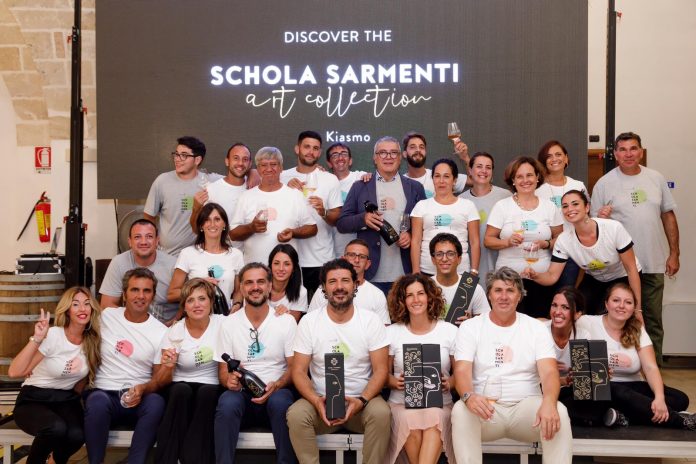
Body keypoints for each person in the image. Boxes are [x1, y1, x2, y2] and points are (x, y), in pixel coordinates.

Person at [451, 267, 572, 464]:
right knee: (460, 410)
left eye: (510, 290)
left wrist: (549, 403)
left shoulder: (536, 328)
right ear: (489, 295)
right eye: (498, 290)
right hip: (486, 409)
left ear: (519, 296)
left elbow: (550, 372)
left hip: (527, 410)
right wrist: (468, 396)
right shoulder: (470, 327)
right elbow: (461, 370)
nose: (504, 296)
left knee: (559, 411)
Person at [287, 259, 391, 464]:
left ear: (355, 285)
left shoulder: (370, 320)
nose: (339, 287)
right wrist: (316, 401)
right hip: (321, 402)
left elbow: (381, 370)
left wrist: (361, 401)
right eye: (332, 281)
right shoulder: (309, 322)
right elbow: (298, 371)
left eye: (345, 280)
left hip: (362, 401)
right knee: (296, 415)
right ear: (324, 288)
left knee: (382, 414)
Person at [591, 132, 680, 365]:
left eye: (633, 149)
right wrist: (600, 217)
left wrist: (674, 253)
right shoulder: (604, 183)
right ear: (615, 154)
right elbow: (593, 226)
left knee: (652, 321)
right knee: (616, 320)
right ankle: (620, 369)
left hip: (652, 264)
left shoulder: (656, 178)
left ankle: (653, 372)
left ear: (640, 151)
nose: (628, 154)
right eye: (622, 149)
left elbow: (668, 216)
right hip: (619, 269)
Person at [576, 283, 695, 430]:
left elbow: (650, 367)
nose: (621, 306)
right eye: (616, 300)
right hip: (604, 389)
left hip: (633, 386)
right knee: (620, 393)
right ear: (606, 304)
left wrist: (659, 398)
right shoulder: (586, 322)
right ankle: (680, 421)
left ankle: (622, 416)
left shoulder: (637, 329)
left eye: (628, 302)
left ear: (633, 308)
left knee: (680, 399)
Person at [215, 263, 298, 464]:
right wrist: (229, 381)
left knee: (281, 403)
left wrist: (277, 384)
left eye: (261, 282)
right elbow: (222, 372)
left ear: (270, 286)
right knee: (227, 403)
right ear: (242, 288)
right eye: (249, 283)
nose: (255, 287)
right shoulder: (228, 323)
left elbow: (294, 367)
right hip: (242, 395)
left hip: (276, 391)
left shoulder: (286, 321)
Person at [84, 268, 168, 464]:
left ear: (153, 296)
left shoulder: (161, 332)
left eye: (146, 291)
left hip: (138, 395)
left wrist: (143, 389)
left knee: (156, 402)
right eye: (134, 290)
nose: (140, 296)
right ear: (124, 294)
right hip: (105, 393)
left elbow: (158, 379)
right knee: (96, 401)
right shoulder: (106, 317)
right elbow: (75, 327)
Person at [9, 287, 101, 464]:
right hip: (34, 398)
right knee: (56, 428)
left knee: (77, 434)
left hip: (65, 400)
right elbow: (14, 372)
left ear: (92, 309)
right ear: (67, 310)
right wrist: (37, 338)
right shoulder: (54, 335)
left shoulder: (92, 342)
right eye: (76, 304)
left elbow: (81, 380)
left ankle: (55, 461)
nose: (82, 309)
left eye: (87, 304)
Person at [524, 190, 642, 315]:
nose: (570, 209)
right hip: (595, 278)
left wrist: (638, 309)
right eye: (565, 206)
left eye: (575, 204)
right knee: (577, 311)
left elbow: (631, 269)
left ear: (587, 207)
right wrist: (535, 275)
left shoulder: (613, 228)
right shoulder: (563, 240)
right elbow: (552, 276)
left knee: (617, 314)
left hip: (623, 276)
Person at [337, 136, 426, 295]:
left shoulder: (415, 187)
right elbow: (342, 223)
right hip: (369, 274)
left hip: (405, 273)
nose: (388, 157)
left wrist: (411, 234)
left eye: (393, 153)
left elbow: (426, 223)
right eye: (383, 153)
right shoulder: (360, 186)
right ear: (375, 158)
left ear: (400, 157)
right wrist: (363, 219)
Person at [385, 274, 457, 464]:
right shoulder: (392, 332)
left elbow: (460, 373)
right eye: (409, 295)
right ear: (402, 300)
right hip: (401, 403)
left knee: (435, 418)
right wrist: (395, 382)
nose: (416, 299)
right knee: (410, 420)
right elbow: (383, 374)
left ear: (430, 296)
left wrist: (449, 382)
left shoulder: (449, 331)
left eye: (420, 293)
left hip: (439, 404)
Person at [153, 278, 224, 464]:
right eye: (190, 300)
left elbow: (248, 319)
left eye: (202, 298)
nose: (197, 305)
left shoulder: (223, 323)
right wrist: (168, 366)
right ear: (184, 306)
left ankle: (192, 458)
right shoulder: (175, 331)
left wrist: (280, 311)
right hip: (180, 384)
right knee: (180, 390)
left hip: (211, 384)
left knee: (207, 393)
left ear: (211, 302)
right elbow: (160, 380)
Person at [484, 156, 563, 317]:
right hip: (508, 282)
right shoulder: (502, 206)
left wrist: (546, 244)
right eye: (519, 176)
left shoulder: (549, 207)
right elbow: (488, 240)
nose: (525, 180)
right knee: (508, 322)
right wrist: (507, 242)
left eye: (529, 175)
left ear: (537, 177)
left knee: (540, 323)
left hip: (541, 279)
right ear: (513, 180)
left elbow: (561, 240)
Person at [281, 131, 343, 299]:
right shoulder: (282, 177)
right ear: (297, 149)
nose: (311, 152)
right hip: (288, 259)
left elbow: (336, 218)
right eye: (307, 147)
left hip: (321, 259)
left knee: (322, 310)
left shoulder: (330, 179)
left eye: (315, 148)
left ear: (320, 152)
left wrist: (324, 212)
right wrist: (285, 189)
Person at [229, 146, 318, 264]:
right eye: (263, 165)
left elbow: (312, 228)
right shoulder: (246, 197)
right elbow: (233, 234)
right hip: (254, 270)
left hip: (286, 270)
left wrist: (293, 233)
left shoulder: (295, 195)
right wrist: (251, 227)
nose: (269, 169)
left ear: (281, 167)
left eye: (273, 164)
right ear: (258, 169)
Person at [145, 136, 219, 255]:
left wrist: (250, 173)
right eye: (176, 154)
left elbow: (236, 178)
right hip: (167, 255)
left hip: (197, 255)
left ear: (197, 160)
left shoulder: (208, 181)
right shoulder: (162, 181)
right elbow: (148, 217)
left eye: (184, 155)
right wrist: (153, 241)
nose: (177, 159)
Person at [168, 202, 244, 315]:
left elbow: (239, 291)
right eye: (207, 220)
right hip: (196, 318)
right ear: (201, 226)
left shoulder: (236, 255)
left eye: (217, 219)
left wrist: (237, 304)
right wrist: (199, 285)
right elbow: (172, 294)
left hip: (225, 318)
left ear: (224, 224)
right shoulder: (187, 253)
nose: (212, 224)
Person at [410, 158, 480, 276]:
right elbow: (416, 241)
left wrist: (473, 272)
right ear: (433, 179)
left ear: (454, 180)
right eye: (437, 176)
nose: (441, 181)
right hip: (427, 272)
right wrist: (416, 272)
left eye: (446, 176)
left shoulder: (468, 205)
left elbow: (475, 242)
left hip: (461, 272)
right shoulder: (421, 206)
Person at [99, 219, 178, 323]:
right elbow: (107, 306)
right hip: (131, 324)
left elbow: (188, 300)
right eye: (137, 237)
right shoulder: (118, 262)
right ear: (129, 242)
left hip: (166, 325)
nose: (143, 242)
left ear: (157, 241)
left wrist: (174, 323)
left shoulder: (174, 265)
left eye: (149, 236)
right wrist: (131, 326)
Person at [536, 140, 589, 287]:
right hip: (545, 251)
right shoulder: (536, 188)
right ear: (543, 161)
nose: (554, 159)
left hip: (573, 252)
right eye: (549, 156)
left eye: (558, 154)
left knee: (566, 294)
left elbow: (586, 216)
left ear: (566, 158)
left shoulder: (578, 185)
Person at [308, 239, 391, 325]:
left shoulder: (377, 294)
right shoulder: (325, 289)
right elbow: (311, 322)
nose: (357, 260)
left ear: (367, 264)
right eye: (352, 255)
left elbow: (383, 329)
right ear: (343, 259)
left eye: (362, 257)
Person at [189, 143, 255, 248]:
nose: (240, 163)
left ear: (250, 163)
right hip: (221, 254)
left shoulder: (256, 187)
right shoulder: (212, 190)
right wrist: (195, 209)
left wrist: (255, 172)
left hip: (250, 254)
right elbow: (197, 230)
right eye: (236, 158)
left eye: (245, 159)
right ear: (227, 161)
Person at [460, 152, 512, 281]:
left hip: (501, 268)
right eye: (479, 166)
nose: (484, 171)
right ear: (470, 171)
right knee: (469, 295)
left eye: (488, 167)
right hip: (469, 270)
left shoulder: (506, 196)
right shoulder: (460, 201)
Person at [429, 233, 490, 323]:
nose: (444, 259)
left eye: (450, 254)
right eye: (439, 254)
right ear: (433, 260)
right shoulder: (425, 287)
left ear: (459, 259)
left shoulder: (473, 288)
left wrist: (470, 323)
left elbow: (485, 323)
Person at [325, 142, 367, 258]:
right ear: (329, 163)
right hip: (332, 247)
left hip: (359, 246)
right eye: (335, 155)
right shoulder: (324, 182)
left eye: (344, 154)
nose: (340, 158)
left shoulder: (361, 177)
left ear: (350, 160)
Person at [401, 131, 468, 197]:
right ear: (404, 154)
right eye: (412, 147)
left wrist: (465, 158)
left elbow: (472, 180)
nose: (418, 150)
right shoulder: (400, 183)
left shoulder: (439, 176)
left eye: (421, 147)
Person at [268, 244, 308, 321]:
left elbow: (292, 324)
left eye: (287, 264)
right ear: (270, 266)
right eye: (276, 263)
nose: (281, 268)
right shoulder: (258, 287)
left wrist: (286, 315)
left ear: (293, 268)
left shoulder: (301, 292)